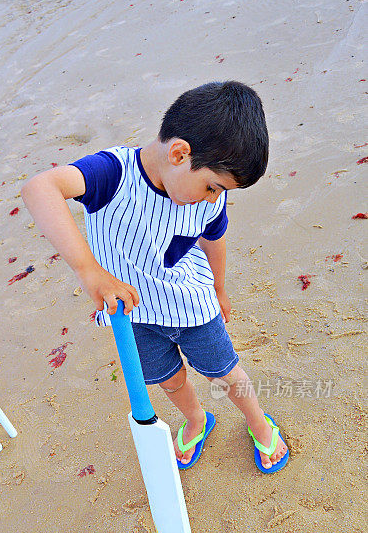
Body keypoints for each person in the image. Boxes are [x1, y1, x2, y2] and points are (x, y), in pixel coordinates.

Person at [22, 81, 289, 473]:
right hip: (133, 315)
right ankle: (197, 418)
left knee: (226, 371)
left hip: (192, 305)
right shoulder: (112, 174)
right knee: (168, 378)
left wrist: (219, 288)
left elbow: (214, 235)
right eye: (213, 187)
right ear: (180, 153)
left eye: (223, 191)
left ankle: (258, 422)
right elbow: (39, 188)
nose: (215, 197)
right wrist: (89, 271)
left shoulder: (206, 191)